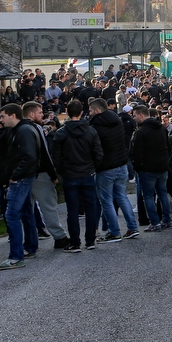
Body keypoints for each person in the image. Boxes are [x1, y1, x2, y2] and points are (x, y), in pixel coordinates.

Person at [0, 103, 41, 270]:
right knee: (27, 212)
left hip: (21, 179)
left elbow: (29, 156)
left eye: (3, 116)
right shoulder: (20, 130)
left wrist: (14, 175)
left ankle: (16, 257)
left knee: (12, 215)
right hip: (24, 177)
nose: (1, 120)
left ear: (13, 115)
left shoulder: (24, 131)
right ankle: (30, 247)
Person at [51, 100, 103, 252]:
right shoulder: (91, 131)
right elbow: (98, 153)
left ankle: (75, 242)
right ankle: (90, 240)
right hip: (87, 172)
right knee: (90, 208)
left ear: (67, 112)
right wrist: (93, 167)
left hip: (70, 174)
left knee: (72, 210)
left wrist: (62, 171)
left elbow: (56, 157)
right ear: (82, 112)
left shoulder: (61, 133)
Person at [88, 98, 139, 242]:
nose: (89, 113)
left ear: (97, 110)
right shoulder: (117, 121)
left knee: (107, 201)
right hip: (121, 164)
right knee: (122, 196)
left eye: (91, 110)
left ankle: (114, 232)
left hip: (106, 168)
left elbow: (95, 149)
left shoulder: (95, 127)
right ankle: (132, 227)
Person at [21, 101, 69, 250]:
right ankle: (59, 236)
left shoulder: (18, 129)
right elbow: (44, 153)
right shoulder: (36, 128)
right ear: (32, 114)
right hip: (40, 173)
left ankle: (30, 240)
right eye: (40, 113)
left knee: (27, 209)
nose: (43, 116)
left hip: (23, 175)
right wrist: (52, 173)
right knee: (49, 207)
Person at [130, 105, 172, 232]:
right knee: (163, 194)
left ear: (141, 115)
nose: (134, 118)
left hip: (147, 169)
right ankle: (167, 220)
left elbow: (136, 153)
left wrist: (137, 167)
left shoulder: (141, 132)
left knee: (148, 196)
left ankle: (154, 222)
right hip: (162, 166)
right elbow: (168, 147)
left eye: (135, 115)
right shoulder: (161, 128)